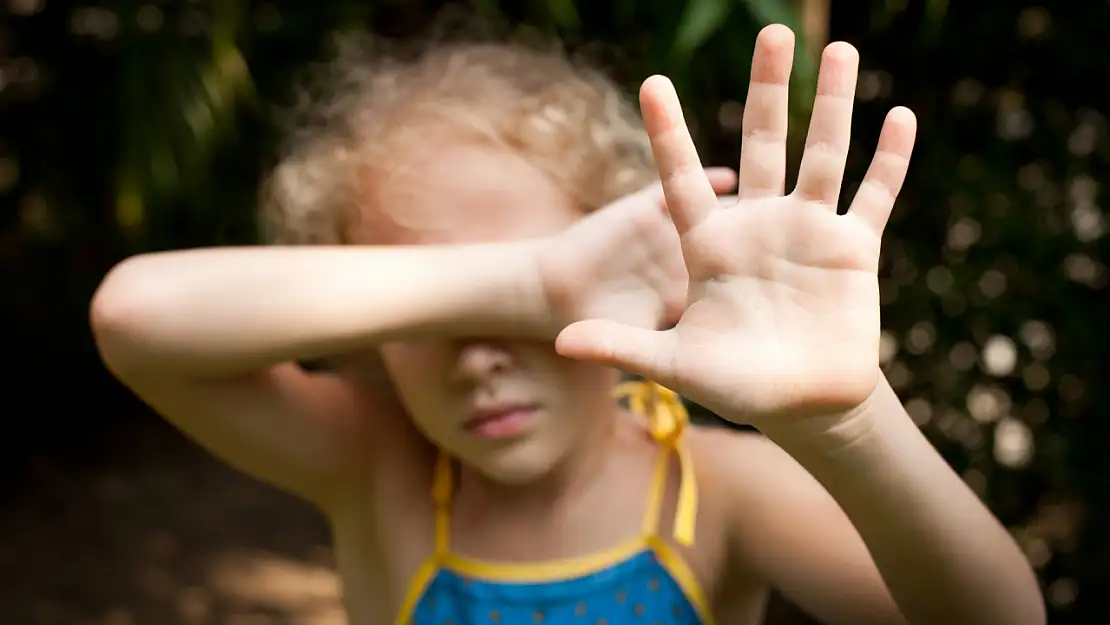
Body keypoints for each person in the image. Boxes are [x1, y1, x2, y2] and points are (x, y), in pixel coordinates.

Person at [89, 23, 1045, 625]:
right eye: (446, 300)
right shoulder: (373, 463)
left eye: (540, 299)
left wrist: (850, 421)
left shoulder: (716, 490)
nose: (482, 359)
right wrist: (539, 279)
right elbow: (135, 316)